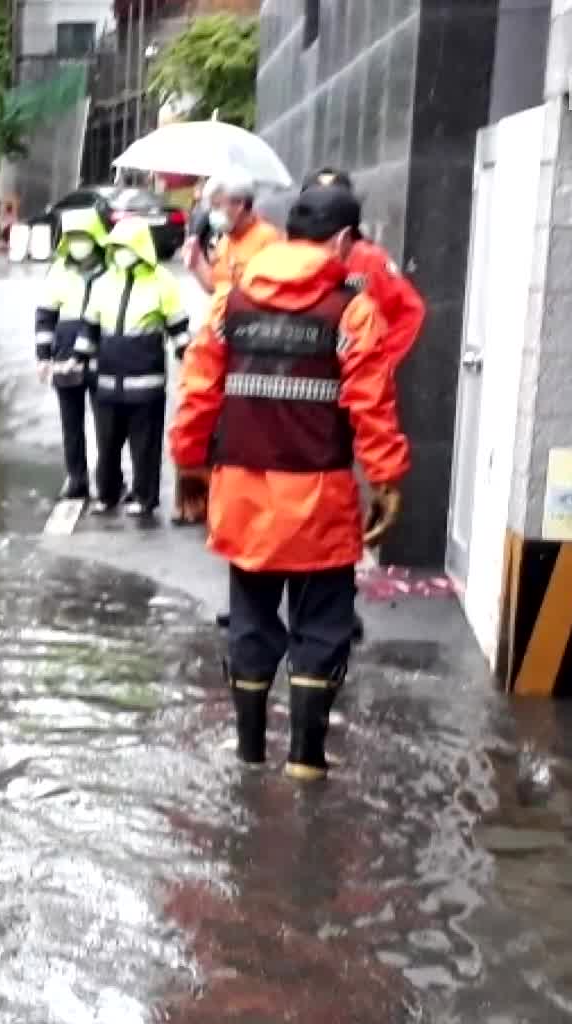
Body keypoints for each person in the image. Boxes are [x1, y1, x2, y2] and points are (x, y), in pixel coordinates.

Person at [169, 184, 408, 780]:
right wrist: (386, 479)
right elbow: (372, 404)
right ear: (344, 240)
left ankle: (249, 754)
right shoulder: (350, 308)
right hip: (319, 501)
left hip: (243, 496)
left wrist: (189, 467)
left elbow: (197, 393)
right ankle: (306, 762)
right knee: (322, 625)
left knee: (250, 620)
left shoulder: (232, 302)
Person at [74, 217, 191, 518]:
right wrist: (79, 359)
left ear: (140, 247)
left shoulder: (163, 281)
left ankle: (145, 497)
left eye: (125, 246)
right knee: (107, 444)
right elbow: (90, 326)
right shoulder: (103, 282)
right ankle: (108, 495)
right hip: (107, 381)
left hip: (145, 381)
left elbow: (178, 327)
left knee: (145, 446)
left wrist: (187, 359)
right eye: (115, 246)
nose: (120, 252)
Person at [303, 168, 427, 371]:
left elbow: (410, 310)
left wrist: (380, 362)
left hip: (353, 378)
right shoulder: (286, 259)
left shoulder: (370, 259)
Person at [33, 206, 111, 500]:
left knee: (108, 425)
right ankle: (77, 478)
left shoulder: (112, 268)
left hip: (104, 356)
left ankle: (109, 480)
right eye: (73, 236)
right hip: (66, 357)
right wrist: (43, 357)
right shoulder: (59, 270)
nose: (78, 242)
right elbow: (45, 315)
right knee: (71, 423)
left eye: (83, 236)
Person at [185, 176, 283, 296]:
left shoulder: (268, 239)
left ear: (239, 205)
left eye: (216, 207)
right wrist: (196, 262)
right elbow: (216, 287)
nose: (212, 214)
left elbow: (270, 293)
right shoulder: (224, 241)